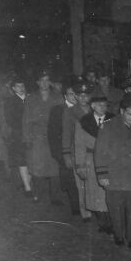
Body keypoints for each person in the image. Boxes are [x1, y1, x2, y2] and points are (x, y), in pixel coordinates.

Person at [94, 94, 131, 249]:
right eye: (129, 114)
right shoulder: (108, 126)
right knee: (115, 209)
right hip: (115, 176)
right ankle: (119, 236)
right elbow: (100, 152)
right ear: (122, 111)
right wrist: (102, 175)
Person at [74, 92, 115, 234]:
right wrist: (80, 165)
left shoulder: (114, 120)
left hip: (110, 160)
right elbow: (79, 145)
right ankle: (103, 222)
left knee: (109, 191)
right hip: (91, 159)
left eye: (105, 105)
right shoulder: (83, 122)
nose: (102, 107)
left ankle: (112, 221)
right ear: (92, 106)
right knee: (95, 193)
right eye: (99, 105)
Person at [22, 70, 62, 204]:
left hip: (54, 137)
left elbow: (62, 118)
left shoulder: (58, 97)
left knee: (54, 166)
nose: (44, 83)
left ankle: (55, 197)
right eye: (42, 80)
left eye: (47, 80)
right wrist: (27, 139)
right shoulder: (31, 98)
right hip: (37, 137)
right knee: (37, 167)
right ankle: (37, 194)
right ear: (37, 82)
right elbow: (26, 120)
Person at [63, 83, 95, 222]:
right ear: (75, 96)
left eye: (86, 95)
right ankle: (85, 212)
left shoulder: (95, 110)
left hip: (94, 152)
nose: (83, 97)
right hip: (77, 152)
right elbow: (66, 134)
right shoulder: (69, 112)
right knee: (81, 184)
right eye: (80, 95)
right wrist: (66, 154)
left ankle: (97, 209)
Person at [48, 83, 80, 215]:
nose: (75, 97)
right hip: (65, 150)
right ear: (65, 96)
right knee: (70, 180)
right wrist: (58, 154)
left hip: (80, 149)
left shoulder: (84, 108)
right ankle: (75, 206)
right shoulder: (58, 110)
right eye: (72, 94)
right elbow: (53, 133)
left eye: (76, 94)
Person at [2, 76, 32, 195]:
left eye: (23, 86)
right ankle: (27, 187)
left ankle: (26, 183)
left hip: (32, 133)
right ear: (13, 88)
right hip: (19, 134)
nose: (21, 88)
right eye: (18, 86)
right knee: (22, 159)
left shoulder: (31, 99)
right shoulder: (10, 101)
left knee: (31, 159)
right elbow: (10, 120)